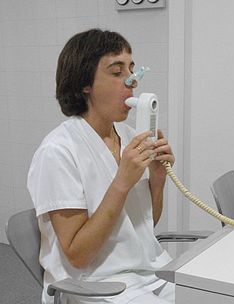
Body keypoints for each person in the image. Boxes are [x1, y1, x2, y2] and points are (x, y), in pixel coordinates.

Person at [27, 28, 175, 304]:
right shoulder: (58, 151)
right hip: (94, 286)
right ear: (85, 84)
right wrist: (122, 182)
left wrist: (157, 179)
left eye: (132, 69)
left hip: (148, 273)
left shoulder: (130, 136)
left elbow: (144, 224)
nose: (131, 81)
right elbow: (78, 254)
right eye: (117, 72)